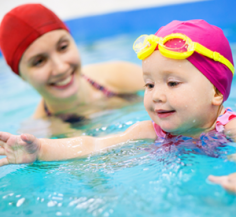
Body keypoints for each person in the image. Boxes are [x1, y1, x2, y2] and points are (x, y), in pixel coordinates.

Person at [0, 19, 236, 166]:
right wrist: (40, 149)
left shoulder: (228, 127)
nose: (156, 96)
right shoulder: (150, 131)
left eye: (172, 83)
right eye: (149, 85)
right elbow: (92, 146)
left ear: (216, 91)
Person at [0, 4, 144, 123]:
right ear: (21, 75)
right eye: (39, 62)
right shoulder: (39, 134)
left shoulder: (121, 76)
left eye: (63, 47)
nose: (61, 68)